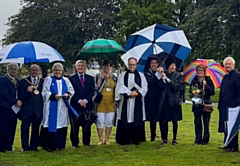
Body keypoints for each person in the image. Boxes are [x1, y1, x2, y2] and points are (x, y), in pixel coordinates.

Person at [40, 63, 74, 152]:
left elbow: (71, 90)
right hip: (52, 106)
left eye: (59, 70)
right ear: (53, 71)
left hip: (62, 106)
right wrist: (53, 95)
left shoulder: (66, 80)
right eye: (56, 70)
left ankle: (60, 145)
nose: (58, 72)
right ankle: (49, 145)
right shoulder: (48, 80)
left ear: (62, 71)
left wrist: (68, 94)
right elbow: (44, 92)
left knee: (61, 125)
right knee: (51, 124)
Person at [115, 57, 148, 145]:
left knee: (136, 117)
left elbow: (145, 86)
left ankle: (136, 139)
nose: (132, 66)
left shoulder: (141, 75)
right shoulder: (123, 75)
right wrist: (129, 93)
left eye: (133, 65)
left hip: (137, 100)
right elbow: (119, 86)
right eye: (130, 65)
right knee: (126, 118)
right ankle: (124, 139)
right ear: (128, 65)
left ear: (136, 65)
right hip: (126, 101)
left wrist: (138, 93)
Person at [157, 58, 184, 145]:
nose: (173, 67)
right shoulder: (164, 74)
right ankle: (164, 138)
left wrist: (168, 80)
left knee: (174, 120)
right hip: (165, 100)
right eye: (171, 65)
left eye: (174, 65)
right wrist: (161, 78)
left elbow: (177, 87)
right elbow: (160, 86)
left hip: (175, 100)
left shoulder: (178, 75)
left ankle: (174, 138)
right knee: (164, 120)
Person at [18, 64, 44, 152]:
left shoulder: (42, 81)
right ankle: (25, 146)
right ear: (30, 71)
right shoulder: (23, 82)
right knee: (25, 128)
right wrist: (27, 91)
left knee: (36, 128)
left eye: (36, 70)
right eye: (33, 70)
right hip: (27, 109)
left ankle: (34, 146)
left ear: (39, 71)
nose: (35, 72)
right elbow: (20, 96)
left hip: (38, 109)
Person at [69, 60, 95, 147]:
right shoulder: (71, 79)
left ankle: (86, 143)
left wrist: (86, 101)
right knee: (74, 126)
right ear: (76, 67)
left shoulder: (90, 78)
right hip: (76, 105)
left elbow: (92, 91)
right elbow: (71, 91)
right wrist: (79, 101)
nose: (80, 67)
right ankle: (75, 143)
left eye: (82, 66)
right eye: (79, 66)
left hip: (87, 105)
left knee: (87, 125)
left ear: (85, 67)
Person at [218, 57, 240, 152]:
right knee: (226, 125)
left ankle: (234, 146)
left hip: (233, 106)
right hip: (224, 106)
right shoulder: (225, 76)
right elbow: (222, 91)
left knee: (232, 125)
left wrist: (237, 104)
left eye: (229, 64)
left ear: (233, 65)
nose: (227, 66)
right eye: (226, 64)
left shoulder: (237, 76)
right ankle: (227, 143)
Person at [189, 64, 215, 145]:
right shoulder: (194, 80)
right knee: (197, 122)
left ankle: (205, 139)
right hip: (197, 104)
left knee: (206, 122)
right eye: (198, 71)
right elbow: (190, 91)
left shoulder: (208, 80)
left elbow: (212, 92)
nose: (200, 72)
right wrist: (195, 93)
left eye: (201, 71)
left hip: (206, 104)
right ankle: (198, 139)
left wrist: (205, 85)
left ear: (204, 72)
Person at [0, 63, 22, 152]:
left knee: (12, 127)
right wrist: (15, 101)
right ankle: (1, 146)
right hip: (5, 107)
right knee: (3, 127)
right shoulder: (3, 80)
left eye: (15, 69)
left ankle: (9, 145)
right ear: (8, 70)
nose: (13, 71)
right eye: (12, 69)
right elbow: (4, 93)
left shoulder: (17, 81)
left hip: (15, 109)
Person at [95, 60, 117, 145]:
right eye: (105, 66)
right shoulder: (97, 76)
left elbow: (116, 88)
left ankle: (107, 139)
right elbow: (96, 88)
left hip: (111, 103)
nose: (106, 68)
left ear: (111, 67)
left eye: (108, 66)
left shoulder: (114, 77)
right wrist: (101, 79)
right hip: (101, 103)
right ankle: (100, 139)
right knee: (100, 120)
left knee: (109, 120)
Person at [144, 58, 162, 141]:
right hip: (150, 99)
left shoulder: (161, 72)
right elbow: (150, 82)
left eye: (155, 63)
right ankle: (152, 136)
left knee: (162, 119)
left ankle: (163, 137)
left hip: (160, 98)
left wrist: (161, 75)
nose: (153, 65)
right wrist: (157, 75)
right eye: (152, 63)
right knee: (152, 119)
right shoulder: (147, 73)